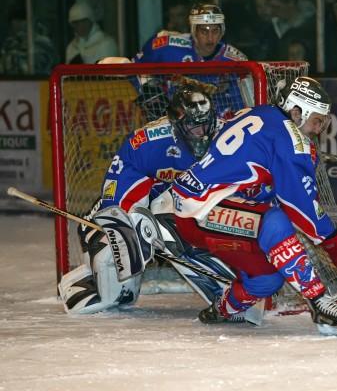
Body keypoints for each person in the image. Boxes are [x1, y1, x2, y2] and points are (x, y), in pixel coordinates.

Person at [158, 76, 337, 332]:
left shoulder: (259, 113)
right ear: (297, 111)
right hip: (203, 210)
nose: (318, 129)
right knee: (275, 220)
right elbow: (300, 204)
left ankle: (223, 309)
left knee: (267, 280)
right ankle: (319, 301)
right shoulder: (290, 137)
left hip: (198, 209)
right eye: (317, 121)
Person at [57, 79, 239, 315]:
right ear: (177, 124)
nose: (202, 134)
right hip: (131, 210)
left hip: (180, 204)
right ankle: (82, 282)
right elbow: (115, 196)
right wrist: (127, 231)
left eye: (205, 125)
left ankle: (232, 292)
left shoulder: (226, 136)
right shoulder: (147, 142)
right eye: (194, 126)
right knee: (114, 293)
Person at [132, 3, 248, 121]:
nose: (210, 38)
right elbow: (134, 66)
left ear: (222, 31)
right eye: (204, 31)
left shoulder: (236, 61)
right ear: (194, 30)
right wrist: (147, 88)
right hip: (172, 120)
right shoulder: (166, 46)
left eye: (215, 31)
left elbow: (245, 105)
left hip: (217, 124)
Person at [0, 8, 59, 75]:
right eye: (14, 22)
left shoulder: (43, 42)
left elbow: (34, 68)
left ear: (29, 22)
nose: (17, 25)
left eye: (20, 20)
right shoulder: (9, 43)